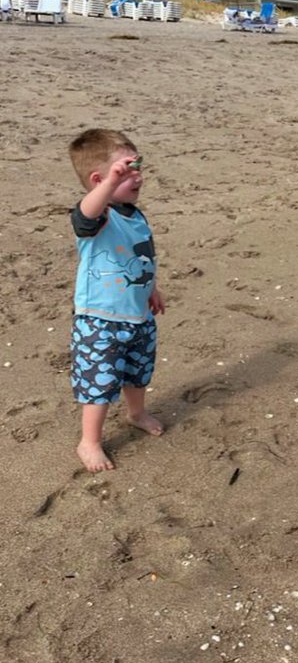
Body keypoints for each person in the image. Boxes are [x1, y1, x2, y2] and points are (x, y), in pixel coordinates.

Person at [67, 129, 165, 473]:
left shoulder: (135, 214)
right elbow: (85, 214)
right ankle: (89, 441)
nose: (137, 176)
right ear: (99, 180)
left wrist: (152, 287)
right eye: (126, 171)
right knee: (101, 383)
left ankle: (136, 412)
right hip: (100, 321)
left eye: (139, 168)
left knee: (138, 373)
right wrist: (109, 184)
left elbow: (142, 257)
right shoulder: (98, 215)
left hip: (138, 314)